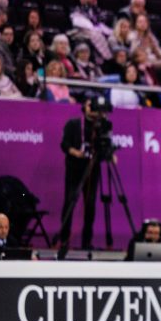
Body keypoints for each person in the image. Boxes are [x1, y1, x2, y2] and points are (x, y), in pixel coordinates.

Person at [58, 95, 111, 254]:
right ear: (84, 107)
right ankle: (64, 240)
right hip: (75, 167)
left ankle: (87, 241)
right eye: (90, 106)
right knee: (70, 201)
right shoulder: (74, 123)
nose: (93, 110)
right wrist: (74, 151)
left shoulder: (101, 125)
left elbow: (104, 145)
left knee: (90, 205)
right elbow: (64, 144)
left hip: (92, 168)